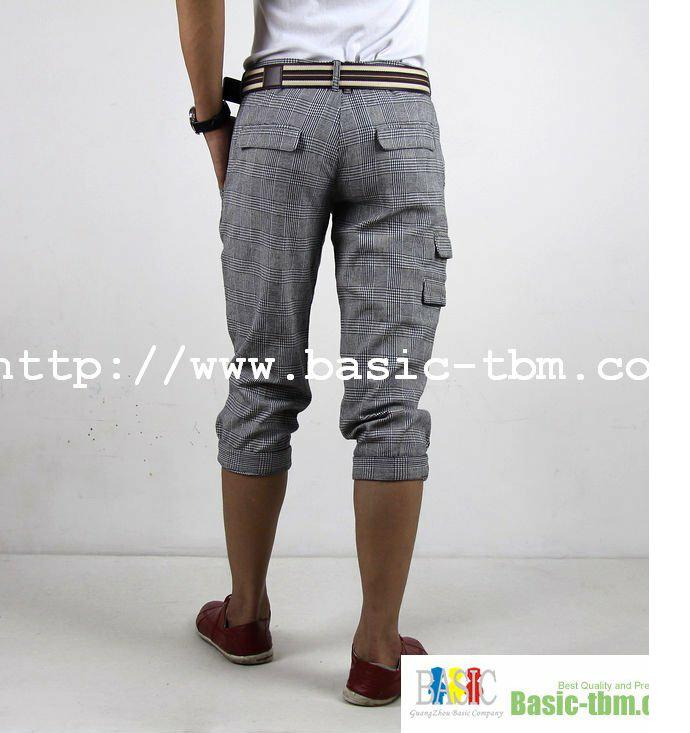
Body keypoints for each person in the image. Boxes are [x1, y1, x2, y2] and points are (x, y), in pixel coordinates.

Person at [176, 0, 450, 706]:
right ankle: (378, 650)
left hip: (279, 111)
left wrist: (212, 121)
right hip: (396, 110)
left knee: (261, 376)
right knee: (389, 396)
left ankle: (243, 616)